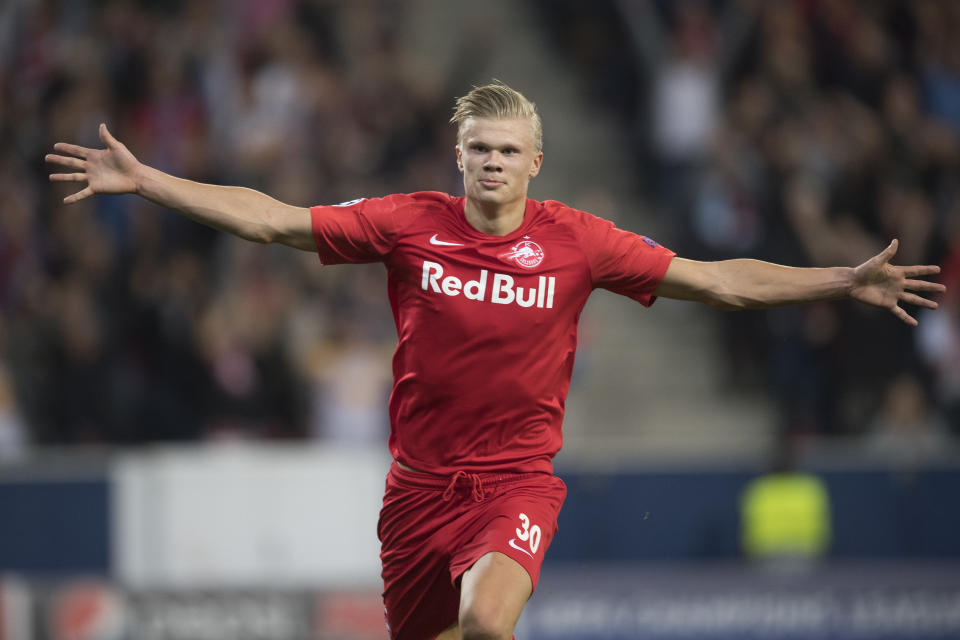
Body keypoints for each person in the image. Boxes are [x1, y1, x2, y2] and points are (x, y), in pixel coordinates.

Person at [46, 82, 945, 640]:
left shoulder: (580, 243)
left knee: (488, 618)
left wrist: (839, 279)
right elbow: (276, 219)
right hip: (416, 490)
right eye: (478, 149)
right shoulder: (407, 222)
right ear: (460, 155)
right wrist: (153, 180)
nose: (491, 163)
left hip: (514, 478)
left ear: (535, 163)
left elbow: (719, 281)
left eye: (508, 152)